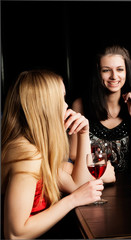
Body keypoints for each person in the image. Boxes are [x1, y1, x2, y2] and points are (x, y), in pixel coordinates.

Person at [1, 70, 108, 239]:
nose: (67, 106)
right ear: (45, 106)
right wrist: (72, 200)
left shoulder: (34, 147)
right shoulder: (28, 155)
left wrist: (83, 134)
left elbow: (77, 185)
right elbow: (14, 234)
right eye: (61, 99)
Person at [69, 45, 131, 174]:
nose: (114, 76)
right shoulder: (80, 105)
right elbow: (73, 154)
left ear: (127, 72)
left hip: (129, 186)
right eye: (106, 70)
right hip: (94, 181)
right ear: (98, 72)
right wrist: (104, 169)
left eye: (120, 69)